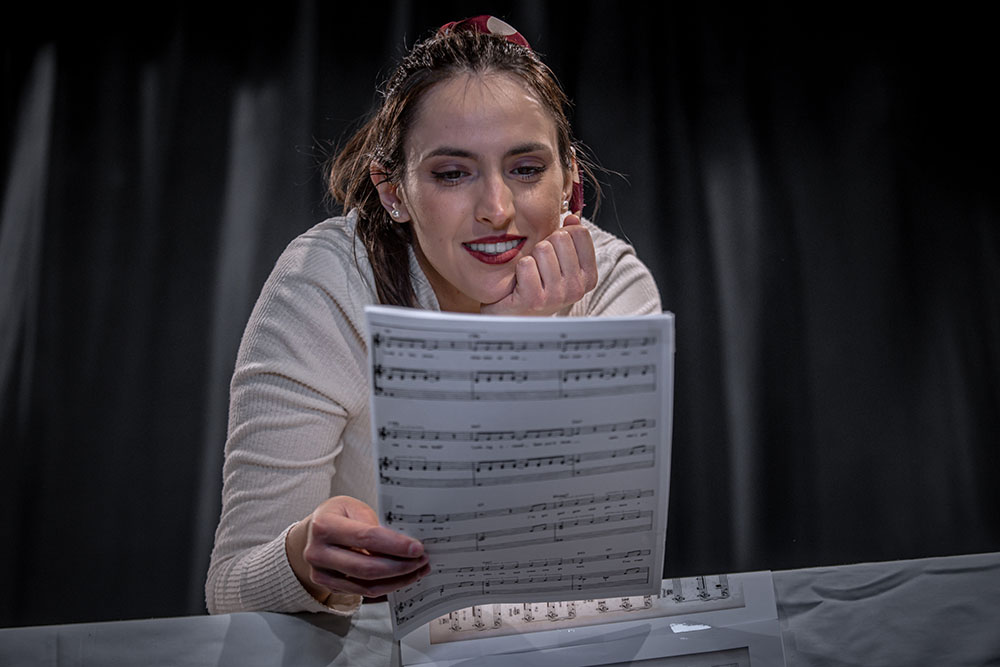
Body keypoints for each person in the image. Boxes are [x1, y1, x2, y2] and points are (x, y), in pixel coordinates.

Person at [206, 16, 661, 617]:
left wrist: (517, 343)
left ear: (568, 176)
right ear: (392, 191)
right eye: (452, 174)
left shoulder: (613, 286)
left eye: (526, 169)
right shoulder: (326, 286)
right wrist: (302, 559)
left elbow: (592, 564)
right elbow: (229, 591)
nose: (496, 208)